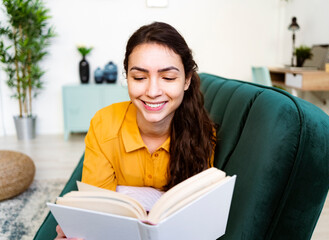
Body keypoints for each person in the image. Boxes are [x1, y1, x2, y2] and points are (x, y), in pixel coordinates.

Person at [55, 21, 216, 239]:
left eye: (168, 78)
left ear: (186, 80)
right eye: (139, 77)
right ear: (127, 78)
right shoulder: (104, 124)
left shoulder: (201, 132)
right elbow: (97, 211)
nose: (152, 91)